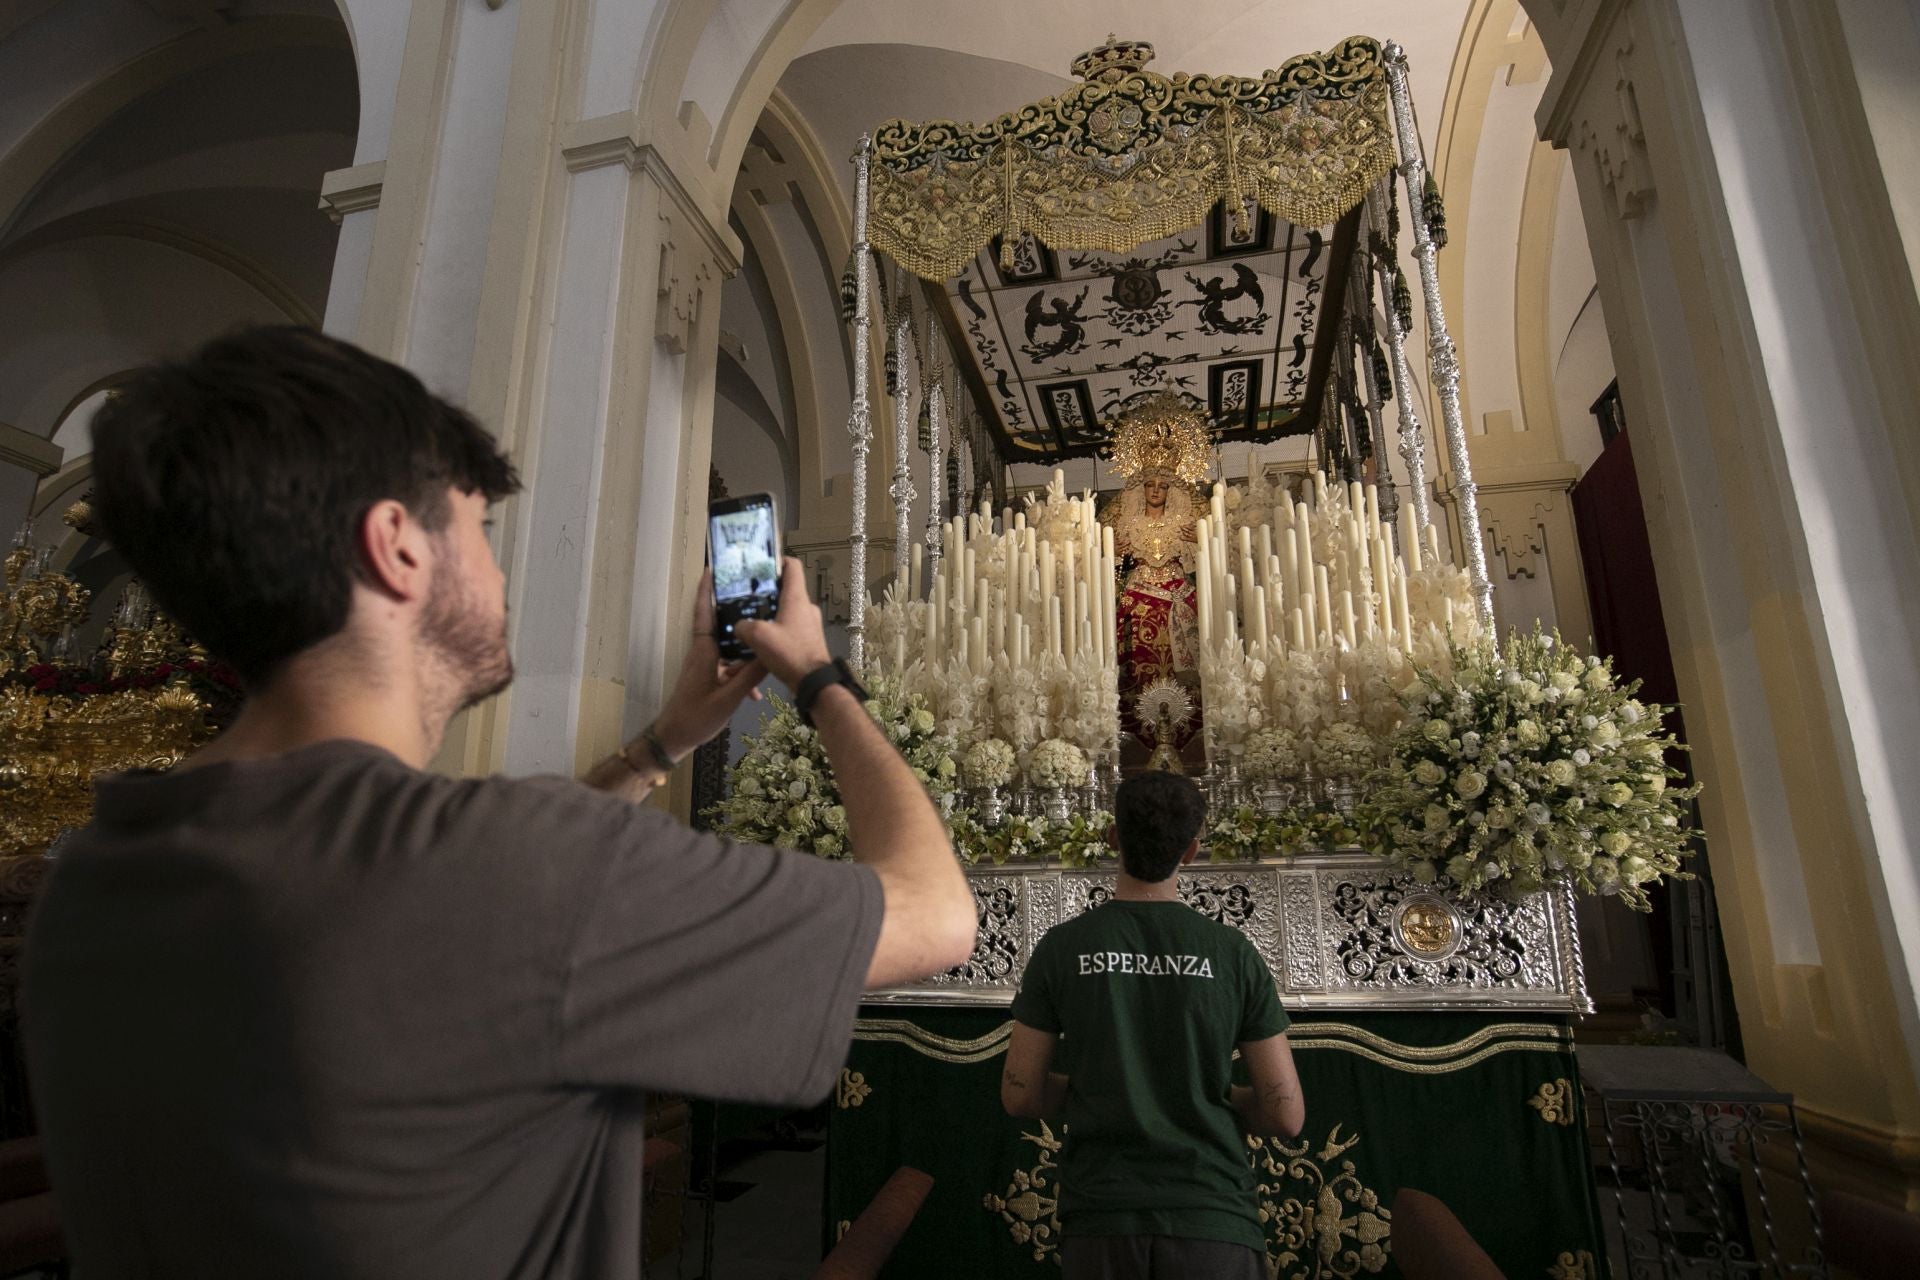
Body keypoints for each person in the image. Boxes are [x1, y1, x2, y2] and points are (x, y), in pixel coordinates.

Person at [22, 326, 977, 1280]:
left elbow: (460, 916)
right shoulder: (526, 866)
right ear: (397, 548)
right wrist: (820, 679)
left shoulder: (91, 878)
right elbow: (934, 918)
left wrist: (660, 744)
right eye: (478, 529)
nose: (500, 572)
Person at [1000, 770, 1304, 1280]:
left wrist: (1100, 1089)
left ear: (1113, 838)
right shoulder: (1232, 953)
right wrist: (1213, 1094)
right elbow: (1285, 1115)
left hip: (1103, 1214)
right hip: (1212, 1214)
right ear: (1190, 850)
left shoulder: (1062, 947)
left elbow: (1021, 1094)